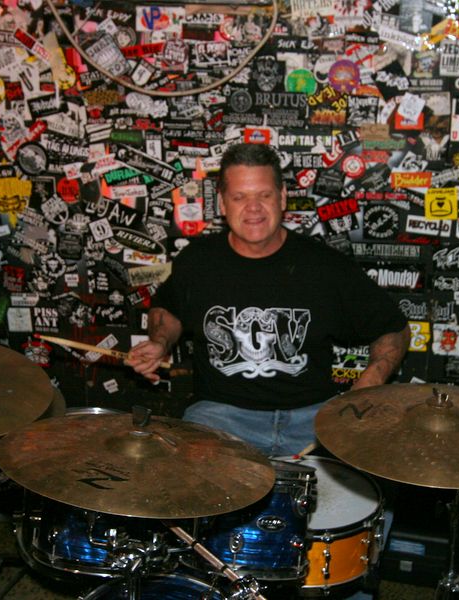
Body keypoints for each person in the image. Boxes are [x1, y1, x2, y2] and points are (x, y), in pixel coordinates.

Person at [126, 143, 410, 456]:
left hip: (313, 417)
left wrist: (371, 380)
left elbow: (393, 328)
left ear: (282, 198)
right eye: (240, 197)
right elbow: (168, 309)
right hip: (221, 416)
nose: (253, 208)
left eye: (264, 195)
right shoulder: (198, 261)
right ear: (222, 203)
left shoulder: (325, 266)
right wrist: (160, 341)